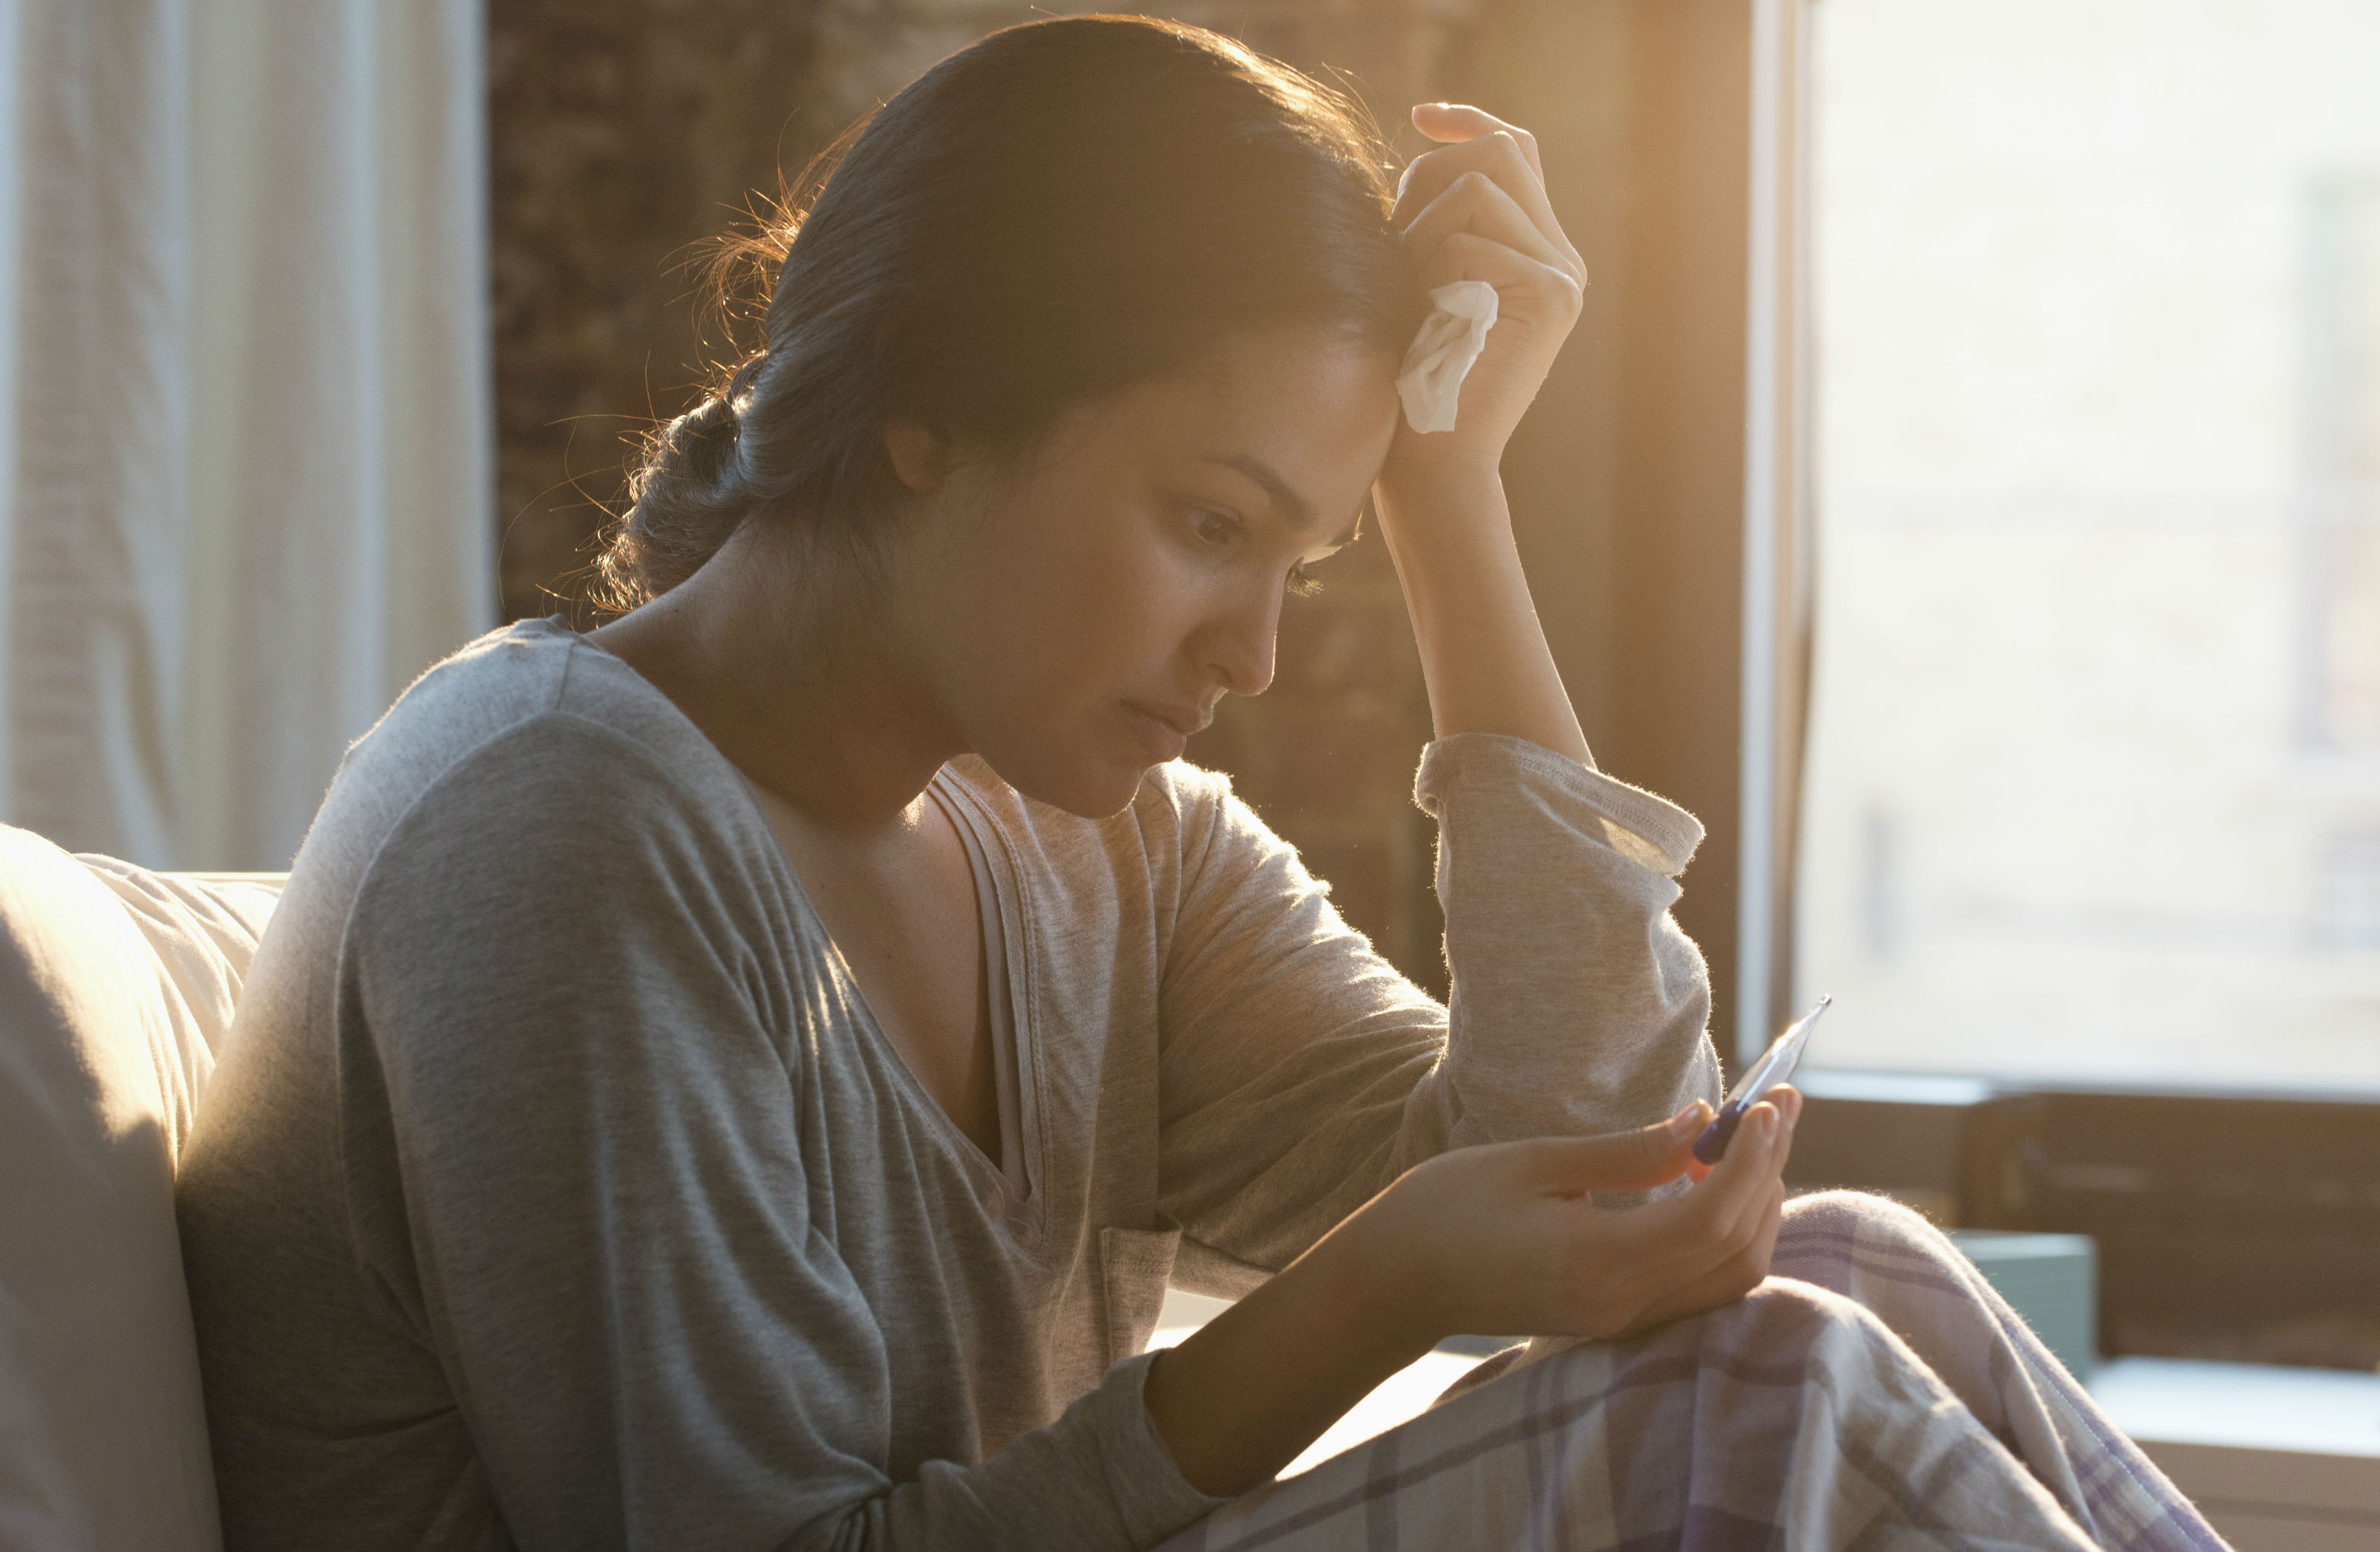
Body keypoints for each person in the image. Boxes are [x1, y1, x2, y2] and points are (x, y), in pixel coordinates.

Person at [176, 16, 2223, 1550]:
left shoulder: (1086, 840)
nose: (1253, 654)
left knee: (1856, 1264)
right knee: (1776, 1403)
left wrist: (1449, 492)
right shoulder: (561, 828)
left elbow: (1602, 1154)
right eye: (1206, 520)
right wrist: (1388, 1278)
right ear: (931, 413)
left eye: (1304, 559)